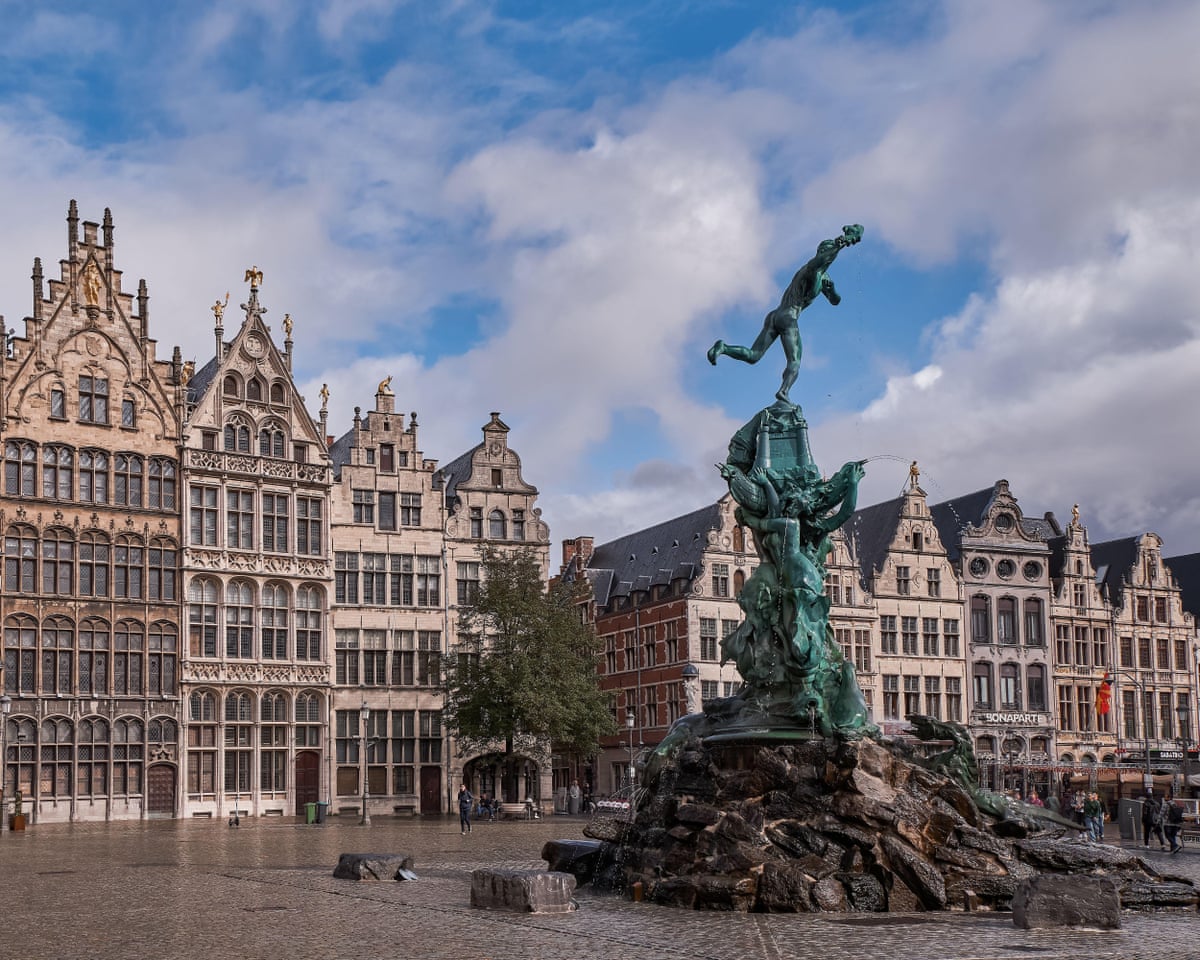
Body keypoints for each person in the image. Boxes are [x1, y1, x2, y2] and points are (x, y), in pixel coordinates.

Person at [707, 224, 863, 403]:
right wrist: (842, 242)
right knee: (795, 363)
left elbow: (835, 301)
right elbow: (822, 261)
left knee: (753, 356)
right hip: (788, 317)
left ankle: (723, 347)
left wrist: (832, 289)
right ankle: (784, 391)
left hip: (775, 316)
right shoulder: (809, 269)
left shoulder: (824, 279)